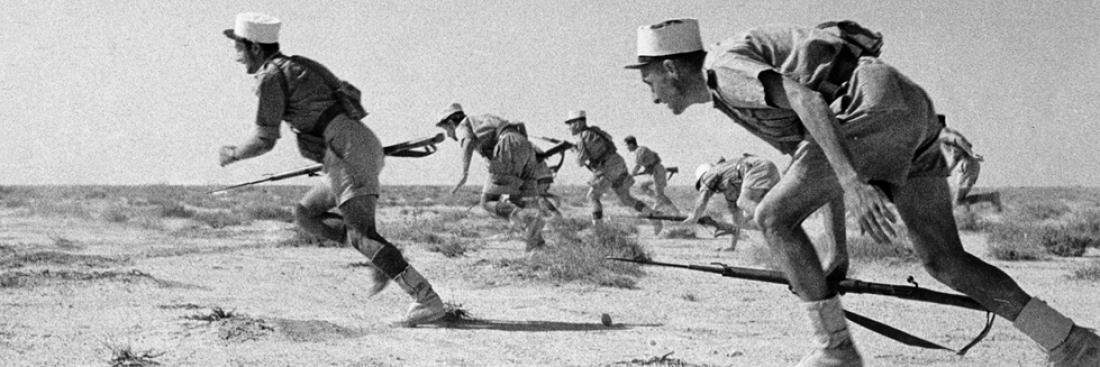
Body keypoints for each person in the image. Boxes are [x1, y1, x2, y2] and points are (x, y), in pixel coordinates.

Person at [625, 18, 1098, 366]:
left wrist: (853, 182)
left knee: (770, 217)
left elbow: (809, 102)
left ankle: (835, 349)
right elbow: (812, 155)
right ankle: (1071, 342)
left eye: (650, 83)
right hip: (908, 108)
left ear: (670, 68)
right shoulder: (731, 87)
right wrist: (838, 253)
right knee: (944, 259)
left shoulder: (723, 70)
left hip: (871, 106)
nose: (653, 97)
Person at [217, 13, 444, 326]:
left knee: (363, 235)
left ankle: (426, 300)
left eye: (239, 48)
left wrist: (232, 154)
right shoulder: (298, 65)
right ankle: (382, 256)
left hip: (346, 149)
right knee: (305, 214)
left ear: (255, 47)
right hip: (352, 145)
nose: (237, 56)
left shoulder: (272, 75)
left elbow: (264, 140)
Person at [434, 103, 547, 251]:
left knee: (487, 202)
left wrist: (464, 173)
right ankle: (537, 246)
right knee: (522, 201)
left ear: (450, 123)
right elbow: (520, 125)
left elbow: (467, 142)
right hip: (526, 146)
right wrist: (522, 152)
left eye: (446, 129)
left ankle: (528, 219)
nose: (449, 135)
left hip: (508, 144)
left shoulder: (463, 124)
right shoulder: (484, 118)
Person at [566, 110, 663, 234]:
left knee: (592, 196)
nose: (569, 127)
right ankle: (653, 216)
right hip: (618, 163)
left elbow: (580, 162)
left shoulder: (582, 138)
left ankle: (598, 231)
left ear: (578, 123)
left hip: (606, 168)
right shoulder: (595, 130)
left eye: (570, 123)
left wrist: (574, 150)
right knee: (626, 198)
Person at [938, 115, 1003, 211]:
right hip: (966, 165)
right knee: (958, 200)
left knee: (958, 202)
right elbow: (957, 155)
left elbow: (958, 140)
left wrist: (971, 153)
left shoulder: (943, 134)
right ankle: (990, 198)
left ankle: (990, 198)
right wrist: (949, 170)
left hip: (968, 165)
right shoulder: (946, 133)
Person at [624, 135, 681, 215]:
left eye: (627, 145)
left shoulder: (640, 150)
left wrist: (631, 175)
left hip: (658, 171)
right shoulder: (641, 150)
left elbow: (638, 165)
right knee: (643, 187)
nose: (627, 148)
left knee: (660, 195)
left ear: (631, 144)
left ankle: (676, 211)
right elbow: (649, 163)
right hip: (655, 172)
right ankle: (657, 203)